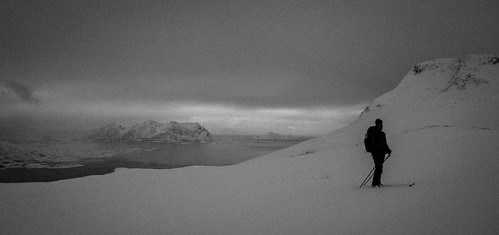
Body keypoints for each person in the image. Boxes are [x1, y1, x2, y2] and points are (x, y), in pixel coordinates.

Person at [366, 119, 392, 187]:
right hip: (376, 152)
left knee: (379, 167)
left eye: (380, 124)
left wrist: (388, 150)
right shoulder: (374, 133)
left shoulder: (382, 133)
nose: (380, 125)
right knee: (378, 167)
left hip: (381, 152)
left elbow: (384, 144)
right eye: (378, 124)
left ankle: (377, 182)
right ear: (376, 124)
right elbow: (376, 144)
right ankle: (375, 183)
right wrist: (380, 149)